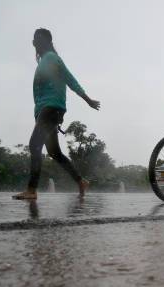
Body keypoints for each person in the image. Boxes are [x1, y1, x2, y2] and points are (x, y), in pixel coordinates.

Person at [13, 28, 100, 200]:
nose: (34, 42)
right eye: (33, 40)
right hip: (45, 111)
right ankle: (81, 181)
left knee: (34, 145)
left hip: (52, 109)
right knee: (55, 153)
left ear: (47, 41)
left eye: (38, 39)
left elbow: (70, 79)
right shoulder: (43, 62)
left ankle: (31, 190)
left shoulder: (53, 58)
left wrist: (87, 99)